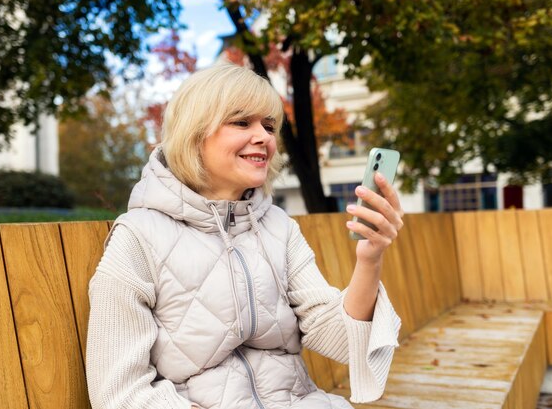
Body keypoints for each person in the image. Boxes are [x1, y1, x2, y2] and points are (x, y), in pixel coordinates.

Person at [86, 63, 403, 409]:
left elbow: (340, 340)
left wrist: (370, 258)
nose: (264, 137)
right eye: (241, 122)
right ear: (194, 134)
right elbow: (119, 392)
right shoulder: (138, 237)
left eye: (269, 126)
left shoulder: (279, 227)